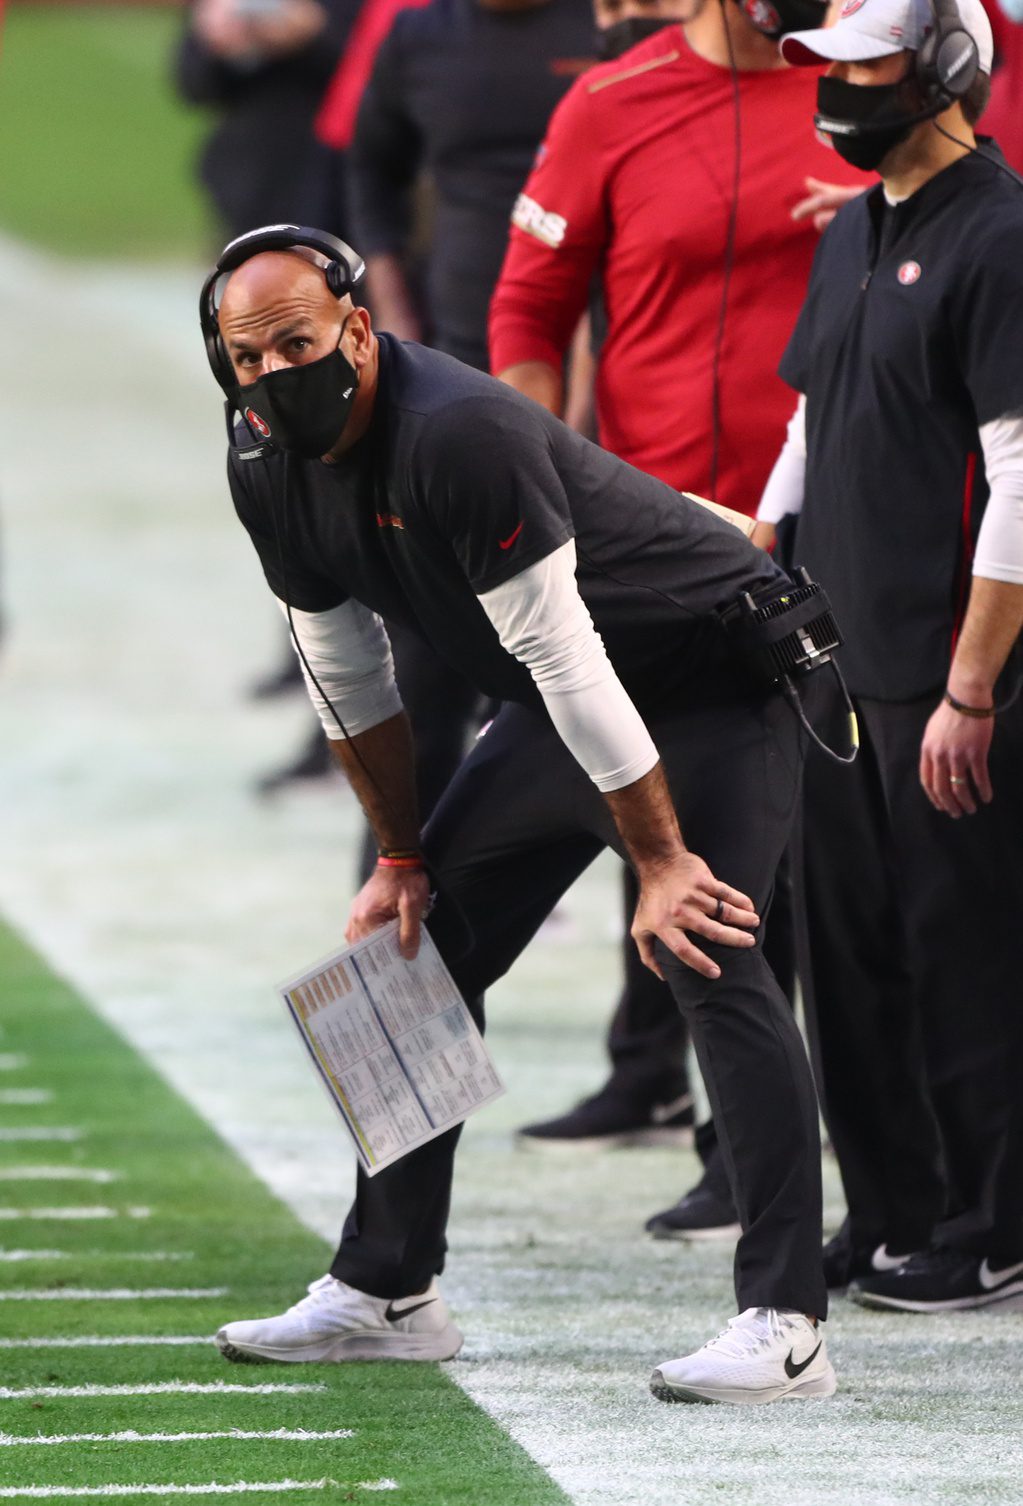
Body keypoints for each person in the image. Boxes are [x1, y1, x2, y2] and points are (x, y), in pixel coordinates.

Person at [203, 225, 836, 1404]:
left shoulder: (461, 432)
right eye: (246, 358)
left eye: (296, 342)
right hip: (563, 697)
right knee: (410, 957)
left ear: (356, 325)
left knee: (705, 947)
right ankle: (388, 1290)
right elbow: (346, 674)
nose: (273, 374)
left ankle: (786, 1319)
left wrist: (657, 860)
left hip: (708, 674)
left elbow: (567, 651)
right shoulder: (262, 465)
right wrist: (399, 855)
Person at [487, 0, 861, 1224]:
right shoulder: (610, 104)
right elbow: (529, 313)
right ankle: (389, 1262)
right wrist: (536, 494)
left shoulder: (882, 86)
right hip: (655, 558)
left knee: (840, 871)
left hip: (841, 537)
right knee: (681, 844)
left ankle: (849, 1185)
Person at [755, 0, 1023, 1310]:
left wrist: (971, 686)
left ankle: (991, 1221)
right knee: (849, 957)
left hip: (940, 671)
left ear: (942, 65)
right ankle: (890, 1205)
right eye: (831, 61)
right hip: (834, 666)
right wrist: (757, 555)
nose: (838, 84)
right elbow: (811, 414)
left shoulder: (999, 235)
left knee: (958, 950)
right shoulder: (855, 225)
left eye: (864, 61)